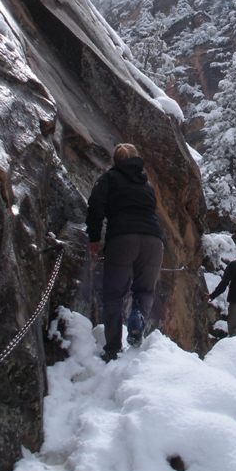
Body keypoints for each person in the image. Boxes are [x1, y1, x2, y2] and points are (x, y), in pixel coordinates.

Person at [86, 143, 164, 362]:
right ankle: (137, 318)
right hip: (153, 241)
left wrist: (94, 238)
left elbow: (95, 207)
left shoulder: (109, 179)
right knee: (145, 290)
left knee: (114, 294)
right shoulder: (147, 185)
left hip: (122, 239)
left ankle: (112, 348)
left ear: (116, 160)